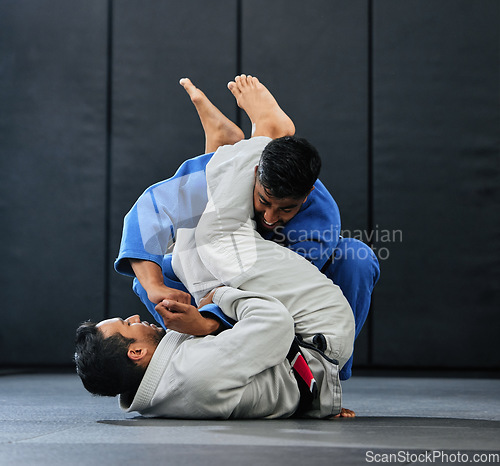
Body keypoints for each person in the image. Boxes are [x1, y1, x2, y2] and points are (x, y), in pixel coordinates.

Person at [75, 77, 357, 419]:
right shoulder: (192, 373)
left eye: (285, 209)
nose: (271, 216)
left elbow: (285, 292)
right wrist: (209, 315)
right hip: (302, 338)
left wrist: (196, 310)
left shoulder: (317, 214)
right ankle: (261, 134)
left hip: (294, 301)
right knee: (196, 244)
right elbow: (271, 317)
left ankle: (224, 146)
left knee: (356, 258)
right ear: (255, 174)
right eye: (264, 202)